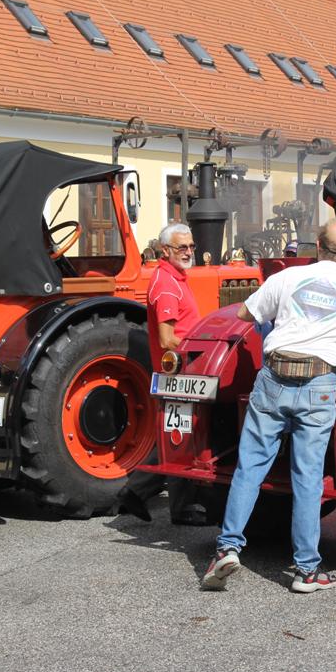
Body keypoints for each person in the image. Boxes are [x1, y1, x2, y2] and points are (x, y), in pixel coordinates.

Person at [201, 218, 336, 593]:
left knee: (251, 467)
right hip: (319, 384)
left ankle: (228, 548)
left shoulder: (287, 278)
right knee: (307, 477)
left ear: (318, 244)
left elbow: (246, 314)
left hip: (275, 378)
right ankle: (306, 570)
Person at [117, 223, 207, 525]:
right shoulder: (167, 285)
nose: (189, 252)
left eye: (192, 246)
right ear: (165, 251)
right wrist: (203, 349)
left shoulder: (174, 278)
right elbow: (168, 338)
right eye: (182, 247)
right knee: (181, 440)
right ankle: (141, 493)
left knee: (179, 438)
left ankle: (167, 501)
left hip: (180, 373)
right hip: (178, 373)